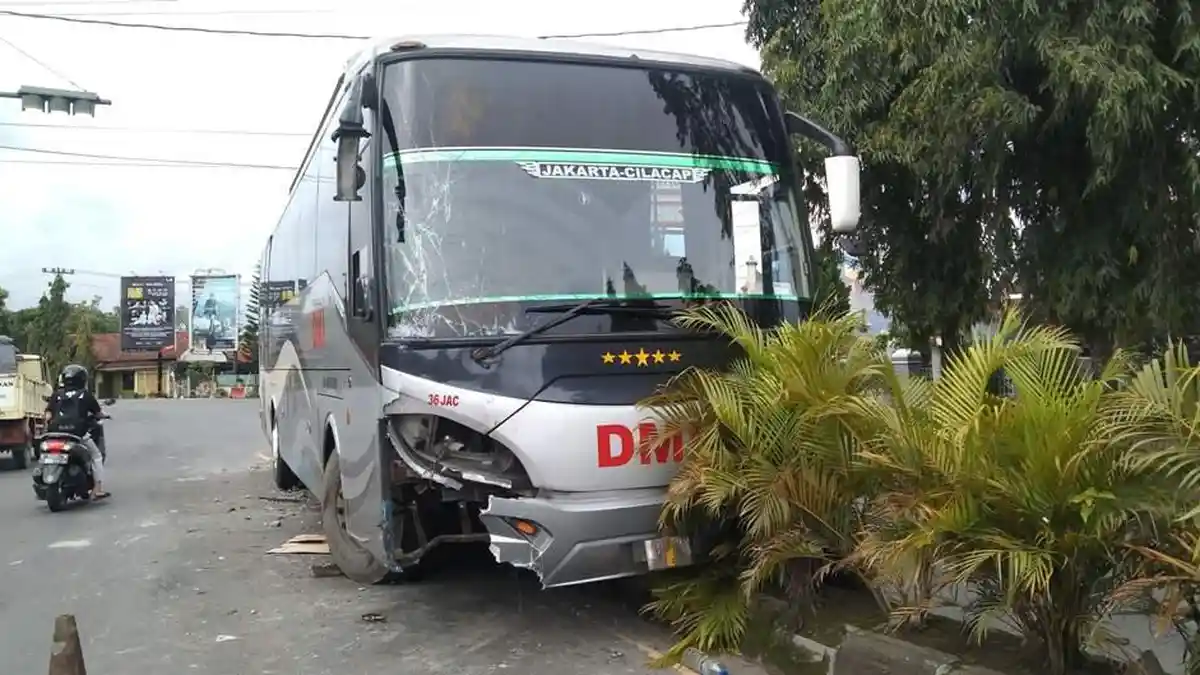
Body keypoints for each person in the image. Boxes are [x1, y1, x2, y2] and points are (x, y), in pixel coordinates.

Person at [44, 364, 109, 499]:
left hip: (55, 435)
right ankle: (98, 489)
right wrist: (104, 416)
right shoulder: (85, 395)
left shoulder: (57, 395)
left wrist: (49, 424)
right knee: (96, 456)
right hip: (76, 435)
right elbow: (98, 413)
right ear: (82, 379)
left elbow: (48, 415)